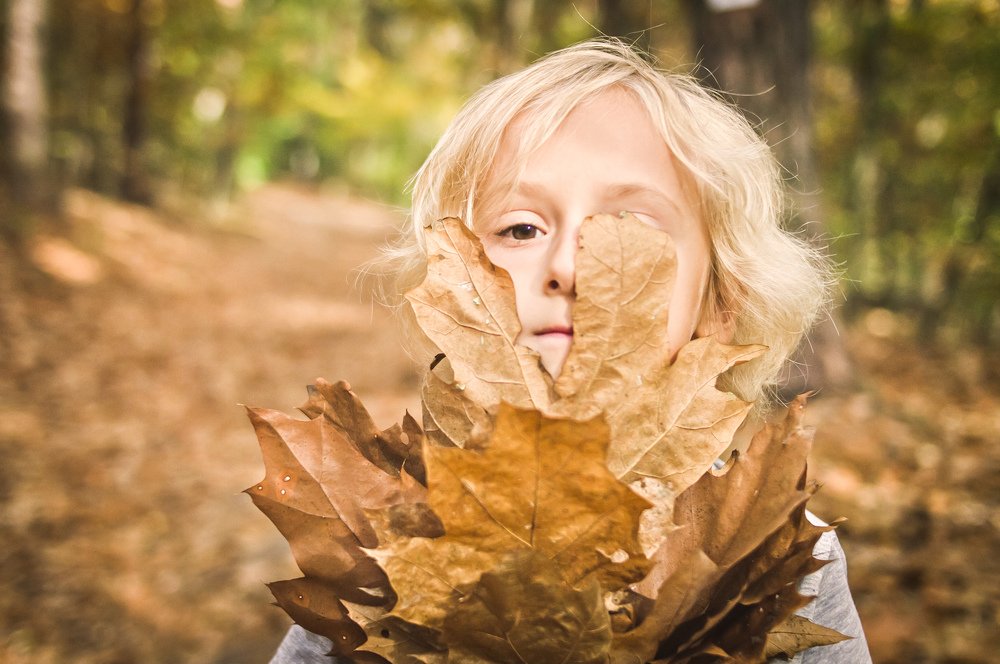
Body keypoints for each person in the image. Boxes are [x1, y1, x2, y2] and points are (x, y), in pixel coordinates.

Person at [270, 38, 871, 663]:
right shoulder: (385, 537)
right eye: (521, 229)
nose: (569, 265)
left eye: (631, 229)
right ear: (453, 288)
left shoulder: (769, 551)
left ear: (721, 303)